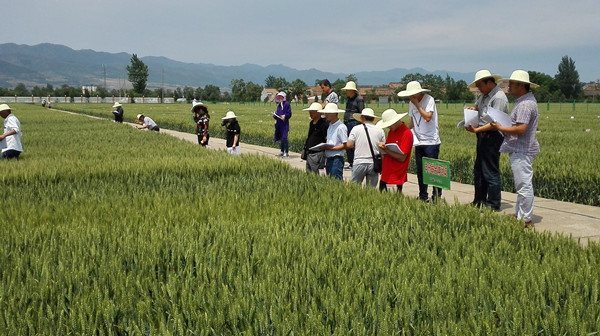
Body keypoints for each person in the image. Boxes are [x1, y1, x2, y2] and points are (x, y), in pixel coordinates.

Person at [489, 70, 540, 227]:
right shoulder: (524, 101)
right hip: (521, 148)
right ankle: (520, 214)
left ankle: (526, 219)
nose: (508, 87)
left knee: (524, 185)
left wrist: (500, 127)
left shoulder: (525, 104)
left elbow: (521, 129)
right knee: (521, 184)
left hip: (521, 149)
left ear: (521, 86)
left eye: (511, 84)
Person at [465, 70, 509, 211]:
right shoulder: (484, 96)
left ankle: (493, 204)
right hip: (482, 135)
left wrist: (477, 130)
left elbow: (495, 123)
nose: (479, 88)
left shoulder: (499, 97)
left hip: (492, 136)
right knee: (479, 170)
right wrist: (472, 109)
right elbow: (477, 107)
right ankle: (479, 200)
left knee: (490, 170)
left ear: (489, 83)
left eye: (480, 85)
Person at [398, 81, 442, 202]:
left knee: (432, 170)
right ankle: (423, 196)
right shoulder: (412, 103)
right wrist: (405, 132)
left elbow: (428, 117)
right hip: (418, 141)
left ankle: (436, 196)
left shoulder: (429, 100)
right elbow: (412, 121)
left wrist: (417, 104)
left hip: (431, 142)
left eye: (412, 95)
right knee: (421, 171)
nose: (410, 97)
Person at [375, 109, 413, 192]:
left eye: (389, 125)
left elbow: (402, 157)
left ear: (395, 121)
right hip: (386, 172)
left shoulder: (406, 133)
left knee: (393, 199)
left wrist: (386, 150)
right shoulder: (391, 131)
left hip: (396, 175)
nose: (388, 127)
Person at [346, 108, 384, 187]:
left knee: (354, 189)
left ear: (362, 117)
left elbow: (349, 144)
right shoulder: (380, 130)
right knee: (371, 190)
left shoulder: (356, 129)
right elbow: (383, 149)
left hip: (359, 161)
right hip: (374, 163)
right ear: (373, 119)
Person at [317, 103, 347, 180]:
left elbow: (345, 145)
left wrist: (332, 148)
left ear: (334, 114)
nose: (325, 115)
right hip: (329, 158)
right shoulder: (330, 126)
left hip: (336, 159)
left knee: (336, 181)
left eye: (327, 113)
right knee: (330, 181)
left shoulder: (341, 127)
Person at [341, 81, 364, 170]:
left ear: (352, 90)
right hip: (347, 123)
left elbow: (362, 112)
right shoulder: (349, 99)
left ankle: (355, 163)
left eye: (347, 90)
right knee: (348, 144)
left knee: (353, 144)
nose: (346, 91)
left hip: (354, 123)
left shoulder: (359, 99)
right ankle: (351, 162)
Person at [302, 102, 329, 173]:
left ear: (319, 113)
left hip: (318, 153)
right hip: (309, 153)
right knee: (309, 173)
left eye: (313, 112)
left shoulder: (324, 124)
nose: (310, 114)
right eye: (310, 112)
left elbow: (326, 138)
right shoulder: (311, 123)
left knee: (317, 172)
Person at [273, 91, 292, 157]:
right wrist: (275, 116)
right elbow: (278, 114)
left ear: (283, 97)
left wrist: (285, 116)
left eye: (281, 96)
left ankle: (286, 152)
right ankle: (282, 151)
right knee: (281, 138)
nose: (280, 98)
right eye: (279, 97)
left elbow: (289, 114)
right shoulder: (279, 105)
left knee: (284, 138)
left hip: (284, 124)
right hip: (279, 124)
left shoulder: (287, 104)